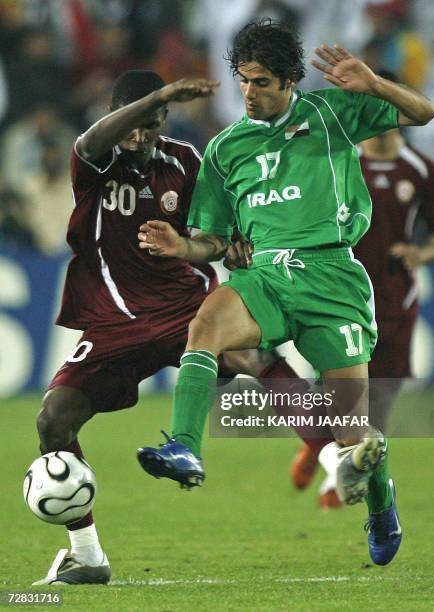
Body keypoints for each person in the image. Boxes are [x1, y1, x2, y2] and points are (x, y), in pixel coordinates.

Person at [137, 19, 434, 566]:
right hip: (267, 277)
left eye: (263, 82)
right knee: (204, 328)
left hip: (333, 278)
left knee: (351, 427)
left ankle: (381, 503)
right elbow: (214, 238)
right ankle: (183, 445)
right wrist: (184, 248)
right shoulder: (226, 148)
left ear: (291, 81)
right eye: (244, 81)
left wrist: (373, 85)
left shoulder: (331, 115)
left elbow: (423, 112)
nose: (250, 93)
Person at [33, 69, 306, 586]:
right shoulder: (93, 159)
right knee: (53, 422)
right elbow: (93, 138)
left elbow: (215, 233)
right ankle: (87, 555)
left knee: (256, 357)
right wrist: (158, 96)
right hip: (111, 321)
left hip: (183, 307)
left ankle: (336, 453)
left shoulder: (185, 162)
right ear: (118, 117)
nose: (141, 137)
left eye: (154, 125)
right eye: (134, 124)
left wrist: (235, 244)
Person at [290, 70, 434, 508]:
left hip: (396, 298)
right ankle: (321, 458)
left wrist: (423, 254)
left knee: (381, 395)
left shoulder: (420, 169)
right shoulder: (341, 160)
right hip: (340, 294)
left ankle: (336, 470)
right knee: (336, 390)